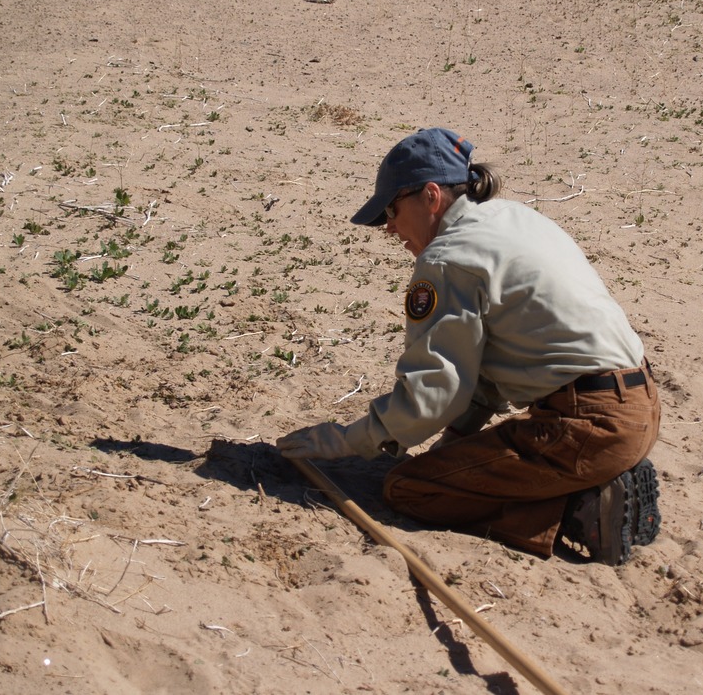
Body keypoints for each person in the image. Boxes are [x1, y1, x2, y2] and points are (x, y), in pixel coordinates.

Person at [276, 128, 661, 565]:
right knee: (450, 466)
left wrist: (345, 440)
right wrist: (457, 438)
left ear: (431, 196)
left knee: (409, 488)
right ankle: (596, 477)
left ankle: (583, 508)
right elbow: (490, 363)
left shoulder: (447, 259)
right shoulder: (516, 218)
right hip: (640, 407)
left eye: (391, 210)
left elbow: (434, 393)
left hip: (587, 426)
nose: (389, 229)